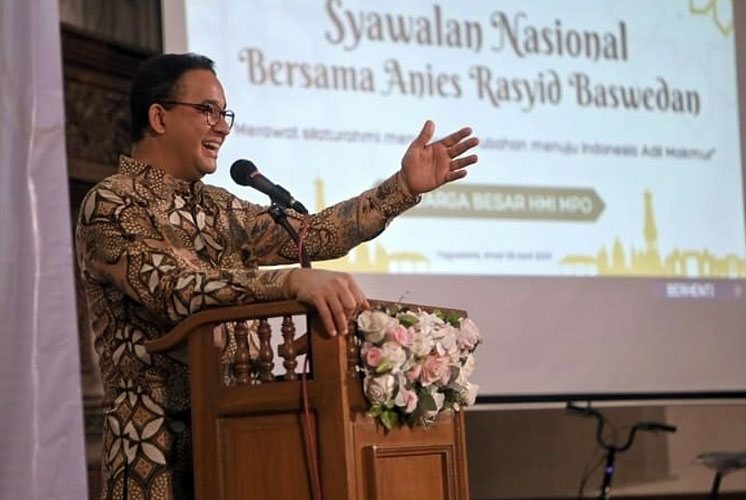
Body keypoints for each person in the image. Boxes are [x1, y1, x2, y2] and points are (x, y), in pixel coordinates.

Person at [75, 52, 478, 499]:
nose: (223, 126)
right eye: (207, 110)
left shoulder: (220, 206)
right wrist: (285, 282)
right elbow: (173, 288)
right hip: (153, 450)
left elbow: (315, 236)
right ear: (159, 116)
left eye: (223, 113)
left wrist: (401, 188)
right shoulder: (111, 202)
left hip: (242, 437)